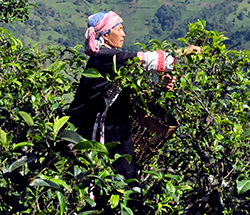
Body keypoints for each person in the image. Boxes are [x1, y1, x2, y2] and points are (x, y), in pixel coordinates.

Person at [67, 11, 200, 179]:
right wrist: (183, 54)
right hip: (94, 130)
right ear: (106, 35)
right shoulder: (103, 57)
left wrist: (159, 88)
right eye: (119, 29)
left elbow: (128, 95)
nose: (123, 34)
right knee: (102, 179)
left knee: (126, 176)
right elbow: (143, 60)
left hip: (114, 128)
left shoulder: (111, 59)